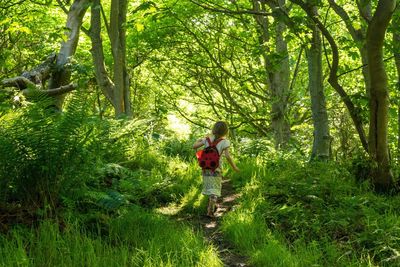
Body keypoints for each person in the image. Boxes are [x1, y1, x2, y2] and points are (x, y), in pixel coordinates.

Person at [193, 121, 240, 217]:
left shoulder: (207, 139)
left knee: (210, 187)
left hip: (205, 168)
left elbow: (194, 146)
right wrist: (234, 167)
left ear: (214, 129)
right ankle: (210, 210)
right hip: (216, 168)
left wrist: (201, 139)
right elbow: (227, 156)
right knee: (215, 189)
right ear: (225, 131)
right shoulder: (225, 142)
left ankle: (212, 206)